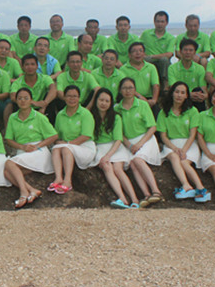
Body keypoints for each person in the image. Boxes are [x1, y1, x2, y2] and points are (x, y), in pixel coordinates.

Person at [3, 88, 59, 208]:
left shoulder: (38, 117)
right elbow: (9, 139)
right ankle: (31, 190)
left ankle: (23, 192)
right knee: (7, 173)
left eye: (26, 98)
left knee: (9, 163)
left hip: (38, 150)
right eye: (20, 98)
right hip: (23, 151)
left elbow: (54, 136)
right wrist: (22, 147)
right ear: (16, 101)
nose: (23, 101)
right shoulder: (13, 117)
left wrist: (37, 146)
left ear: (31, 100)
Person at [156, 82, 208, 201]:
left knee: (184, 162)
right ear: (172, 93)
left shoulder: (192, 111)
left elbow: (192, 134)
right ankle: (186, 185)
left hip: (189, 144)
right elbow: (163, 136)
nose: (179, 95)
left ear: (186, 95)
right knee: (174, 157)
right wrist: (175, 148)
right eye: (177, 92)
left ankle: (201, 188)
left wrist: (184, 150)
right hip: (171, 144)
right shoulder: (164, 112)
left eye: (183, 93)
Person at [115, 77, 163, 205]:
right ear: (120, 90)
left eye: (130, 88)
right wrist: (129, 145)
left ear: (135, 90)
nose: (128, 91)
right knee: (133, 164)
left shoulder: (142, 104)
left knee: (137, 160)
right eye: (124, 88)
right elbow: (119, 132)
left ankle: (156, 191)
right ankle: (146, 195)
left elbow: (152, 127)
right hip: (129, 143)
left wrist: (139, 144)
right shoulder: (117, 109)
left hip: (145, 139)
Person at [89, 88, 138, 208]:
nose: (103, 103)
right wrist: (105, 157)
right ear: (96, 100)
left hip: (115, 147)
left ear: (111, 103)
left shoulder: (116, 117)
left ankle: (135, 199)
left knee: (118, 169)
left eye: (107, 101)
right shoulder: (90, 116)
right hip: (99, 147)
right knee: (107, 167)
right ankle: (122, 198)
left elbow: (118, 140)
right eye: (101, 100)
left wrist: (108, 156)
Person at [49, 85, 96, 195]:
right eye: (69, 96)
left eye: (75, 96)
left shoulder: (85, 113)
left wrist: (68, 143)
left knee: (66, 149)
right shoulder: (60, 115)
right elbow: (58, 135)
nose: (72, 99)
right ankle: (58, 178)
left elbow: (86, 136)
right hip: (68, 145)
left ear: (79, 98)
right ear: (64, 97)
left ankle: (68, 180)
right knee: (55, 149)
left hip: (84, 146)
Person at [168, 38, 208, 110]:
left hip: (195, 99)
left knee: (198, 90)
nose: (188, 52)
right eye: (185, 50)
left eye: (191, 50)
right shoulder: (172, 68)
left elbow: (203, 88)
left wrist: (203, 95)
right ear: (180, 52)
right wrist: (188, 94)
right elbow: (173, 87)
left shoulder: (200, 68)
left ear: (195, 52)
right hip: (179, 97)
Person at [140, 10, 175, 86]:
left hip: (161, 62)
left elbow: (169, 54)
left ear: (166, 23)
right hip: (148, 61)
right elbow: (139, 47)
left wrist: (152, 56)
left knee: (164, 59)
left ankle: (165, 84)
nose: (159, 24)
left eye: (162, 22)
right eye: (158, 21)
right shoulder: (146, 34)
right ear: (154, 22)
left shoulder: (170, 38)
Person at [120, 42, 159, 109]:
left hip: (148, 99)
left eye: (140, 51)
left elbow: (155, 85)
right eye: (134, 51)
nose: (138, 53)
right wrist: (140, 97)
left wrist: (154, 100)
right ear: (129, 55)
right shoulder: (123, 69)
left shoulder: (151, 67)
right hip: (131, 98)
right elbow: (125, 87)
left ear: (144, 54)